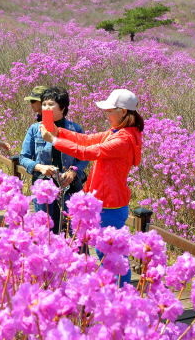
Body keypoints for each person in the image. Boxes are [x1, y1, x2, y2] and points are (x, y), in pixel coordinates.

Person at [40, 89, 143, 286]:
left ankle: (118, 297)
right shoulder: (117, 133)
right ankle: (117, 295)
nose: (107, 114)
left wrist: (54, 141)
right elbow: (86, 140)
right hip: (107, 202)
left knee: (111, 257)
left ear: (123, 112)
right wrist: (59, 131)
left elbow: (86, 152)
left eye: (110, 110)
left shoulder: (122, 140)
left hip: (110, 205)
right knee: (109, 255)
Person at [19, 87, 88, 235]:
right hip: (44, 187)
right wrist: (39, 167)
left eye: (51, 104)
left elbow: (84, 156)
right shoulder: (35, 129)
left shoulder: (74, 129)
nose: (46, 108)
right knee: (48, 231)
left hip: (70, 187)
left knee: (75, 231)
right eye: (44, 104)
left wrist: (74, 172)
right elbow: (23, 157)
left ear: (62, 107)